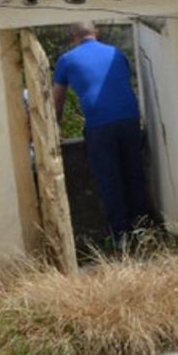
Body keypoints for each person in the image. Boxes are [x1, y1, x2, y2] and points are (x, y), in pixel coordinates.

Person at [52, 22, 149, 245]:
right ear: (96, 33)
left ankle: (120, 237)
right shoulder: (117, 53)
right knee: (134, 174)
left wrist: (54, 128)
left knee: (109, 180)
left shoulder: (66, 60)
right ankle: (143, 231)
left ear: (72, 37)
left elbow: (57, 100)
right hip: (130, 119)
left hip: (100, 124)